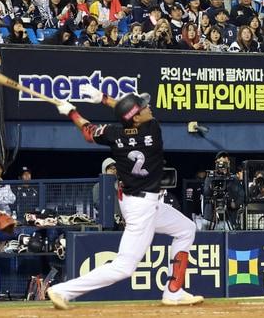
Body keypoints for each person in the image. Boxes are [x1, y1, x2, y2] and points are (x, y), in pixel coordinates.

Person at [46, 89, 203, 309]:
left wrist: (71, 112)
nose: (149, 108)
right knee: (124, 267)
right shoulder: (152, 130)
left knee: (186, 229)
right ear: (137, 117)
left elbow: (88, 132)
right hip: (142, 207)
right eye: (144, 107)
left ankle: (173, 291)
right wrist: (103, 100)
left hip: (138, 202)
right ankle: (62, 290)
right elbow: (128, 113)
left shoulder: (114, 133)